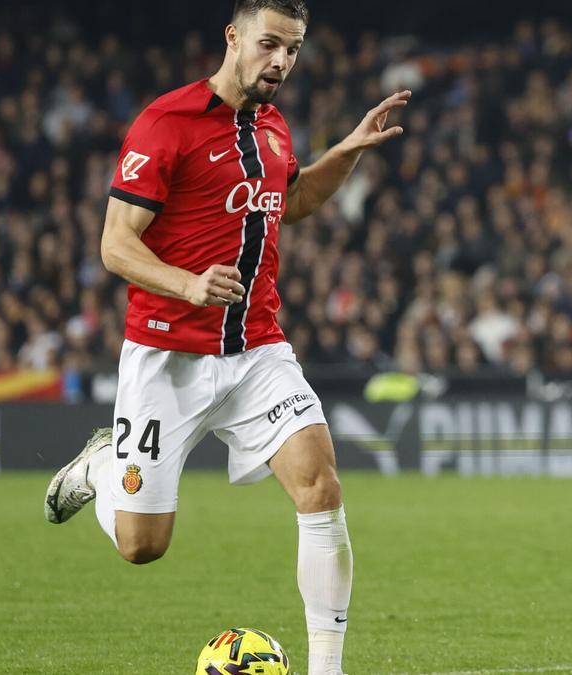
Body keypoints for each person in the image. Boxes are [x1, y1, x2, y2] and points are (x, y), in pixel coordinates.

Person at [42, 2, 409, 674]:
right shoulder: (166, 122)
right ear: (233, 37)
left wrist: (345, 154)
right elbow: (115, 244)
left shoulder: (273, 126)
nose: (282, 61)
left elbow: (295, 201)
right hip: (167, 354)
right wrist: (186, 284)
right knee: (142, 546)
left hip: (256, 349)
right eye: (270, 44)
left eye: (293, 49)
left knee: (321, 487)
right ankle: (100, 466)